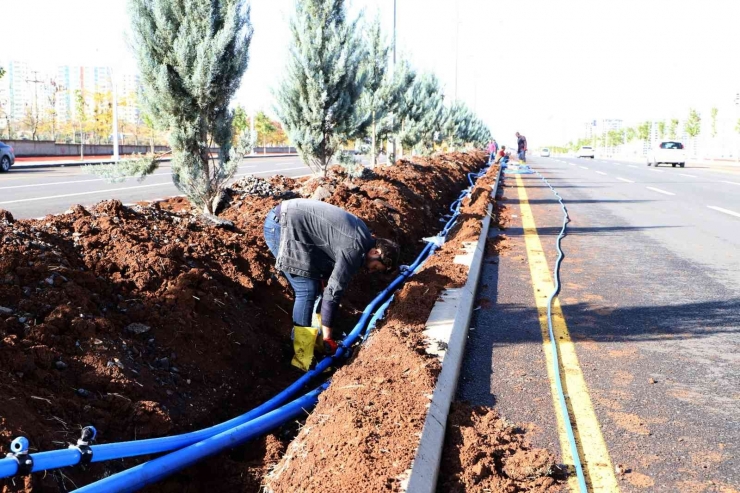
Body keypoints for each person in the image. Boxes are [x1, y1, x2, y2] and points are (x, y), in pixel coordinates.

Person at [263, 198, 400, 371]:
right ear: (375, 252)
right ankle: (302, 357)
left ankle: (317, 343)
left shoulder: (363, 239)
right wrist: (329, 338)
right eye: (375, 267)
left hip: (296, 225)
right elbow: (333, 293)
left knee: (317, 281)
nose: (371, 271)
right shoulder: (355, 248)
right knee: (306, 289)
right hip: (282, 226)